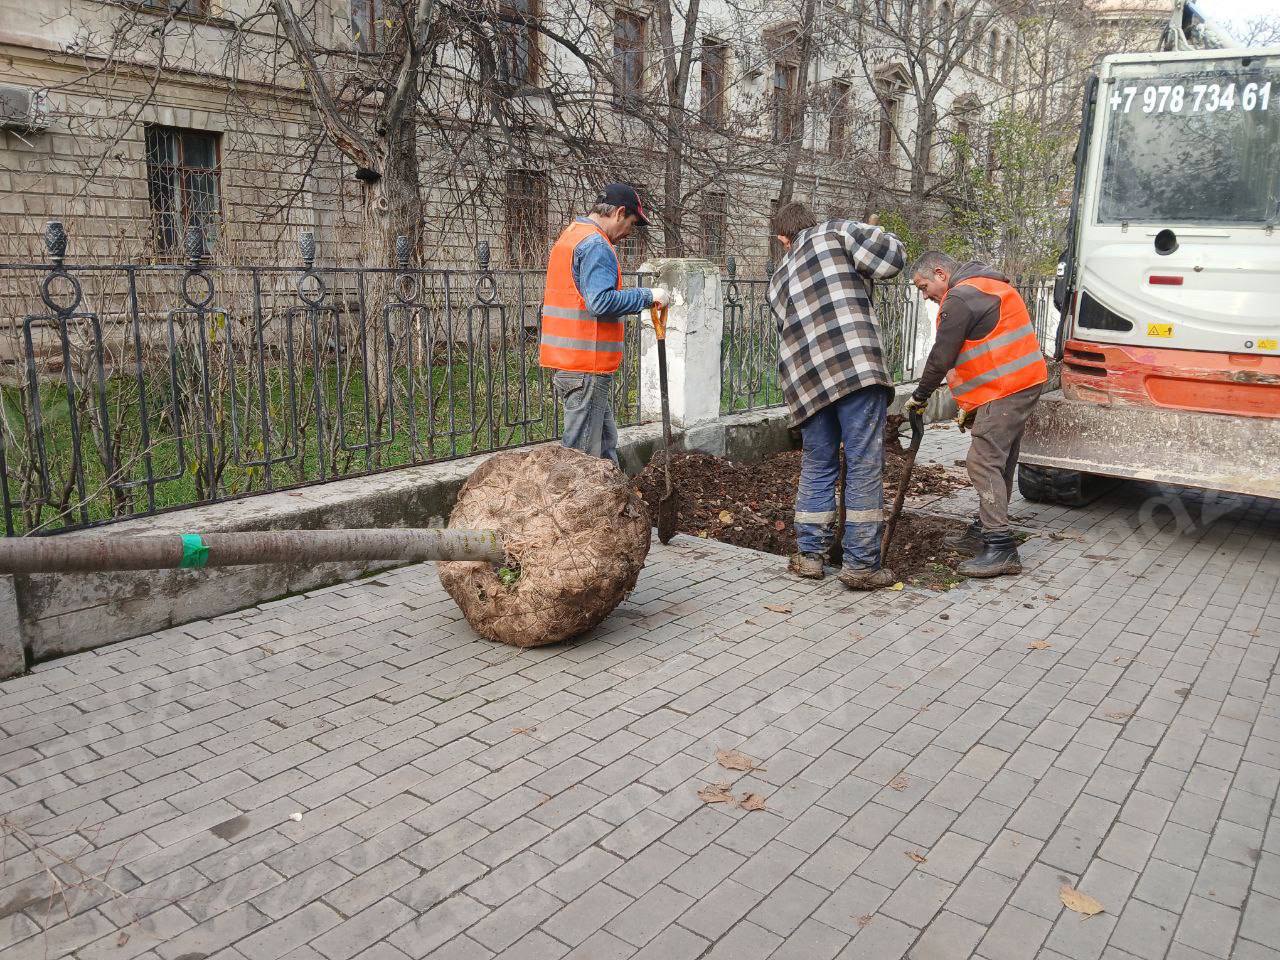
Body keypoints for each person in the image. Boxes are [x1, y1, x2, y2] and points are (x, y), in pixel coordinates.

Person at [768, 201, 907, 590]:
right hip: (855, 369)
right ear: (811, 224)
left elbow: (785, 329)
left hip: (806, 384)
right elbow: (894, 259)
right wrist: (875, 234)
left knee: (818, 464)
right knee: (864, 462)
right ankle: (861, 565)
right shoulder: (840, 232)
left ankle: (810, 556)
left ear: (783, 238)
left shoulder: (778, 278)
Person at [905, 251, 1048, 578]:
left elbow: (942, 356)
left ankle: (1000, 547)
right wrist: (971, 403)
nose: (924, 294)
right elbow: (986, 349)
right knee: (1000, 458)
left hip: (1009, 387)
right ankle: (985, 529)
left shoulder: (961, 297)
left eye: (923, 285)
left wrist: (919, 396)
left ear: (940, 273)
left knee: (982, 461)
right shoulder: (983, 284)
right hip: (1021, 381)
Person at [540, 183, 670, 465]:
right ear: (620, 212)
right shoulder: (597, 245)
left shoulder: (573, 235)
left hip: (575, 366)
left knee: (604, 447)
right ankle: (578, 510)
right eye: (632, 224)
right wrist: (648, 296)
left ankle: (618, 505)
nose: (628, 233)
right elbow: (600, 302)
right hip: (587, 367)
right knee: (583, 461)